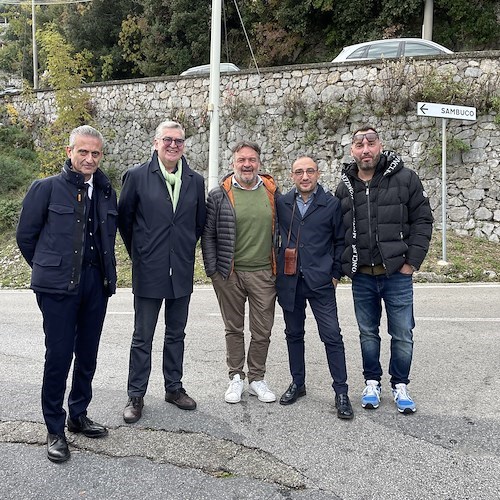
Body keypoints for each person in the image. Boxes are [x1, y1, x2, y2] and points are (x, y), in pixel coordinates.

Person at [16, 125, 117, 463]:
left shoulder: (105, 191)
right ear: (69, 152)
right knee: (59, 357)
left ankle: (78, 415)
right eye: (83, 152)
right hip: (57, 288)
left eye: (95, 153)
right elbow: (26, 237)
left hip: (95, 283)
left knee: (87, 354)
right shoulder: (45, 188)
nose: (89, 159)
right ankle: (54, 428)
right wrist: (50, 268)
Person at [335, 125, 433, 414]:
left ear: (380, 145)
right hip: (362, 275)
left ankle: (400, 384)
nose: (365, 149)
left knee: (402, 333)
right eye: (359, 145)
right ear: (352, 151)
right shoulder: (345, 187)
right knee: (368, 333)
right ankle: (372, 382)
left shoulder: (405, 178)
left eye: (371, 143)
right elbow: (338, 231)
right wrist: (344, 267)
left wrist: (411, 263)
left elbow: (423, 221)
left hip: (396, 274)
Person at [118, 120, 206, 423]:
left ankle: (173, 388)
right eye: (167, 140)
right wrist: (142, 254)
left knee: (176, 333)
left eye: (179, 141)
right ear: (156, 143)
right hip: (149, 269)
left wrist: (179, 250)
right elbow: (125, 222)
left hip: (180, 269)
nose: (173, 145)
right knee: (143, 337)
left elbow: (197, 224)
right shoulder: (137, 177)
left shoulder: (195, 181)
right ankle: (136, 395)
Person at [275, 156, 353, 419]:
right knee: (293, 334)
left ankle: (341, 391)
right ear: (292, 175)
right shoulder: (283, 203)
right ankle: (298, 383)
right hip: (290, 281)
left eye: (309, 171)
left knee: (332, 335)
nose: (305, 176)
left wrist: (335, 274)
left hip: (321, 282)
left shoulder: (331, 204)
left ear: (318, 173)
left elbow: (340, 241)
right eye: (299, 172)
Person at [202, 141, 279, 404]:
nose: (247, 164)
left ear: (259, 162)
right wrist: (213, 271)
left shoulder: (272, 192)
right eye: (241, 160)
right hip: (229, 273)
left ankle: (257, 378)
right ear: (233, 162)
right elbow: (208, 235)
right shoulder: (218, 195)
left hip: (264, 273)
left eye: (252, 159)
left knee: (262, 330)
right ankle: (236, 377)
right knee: (233, 329)